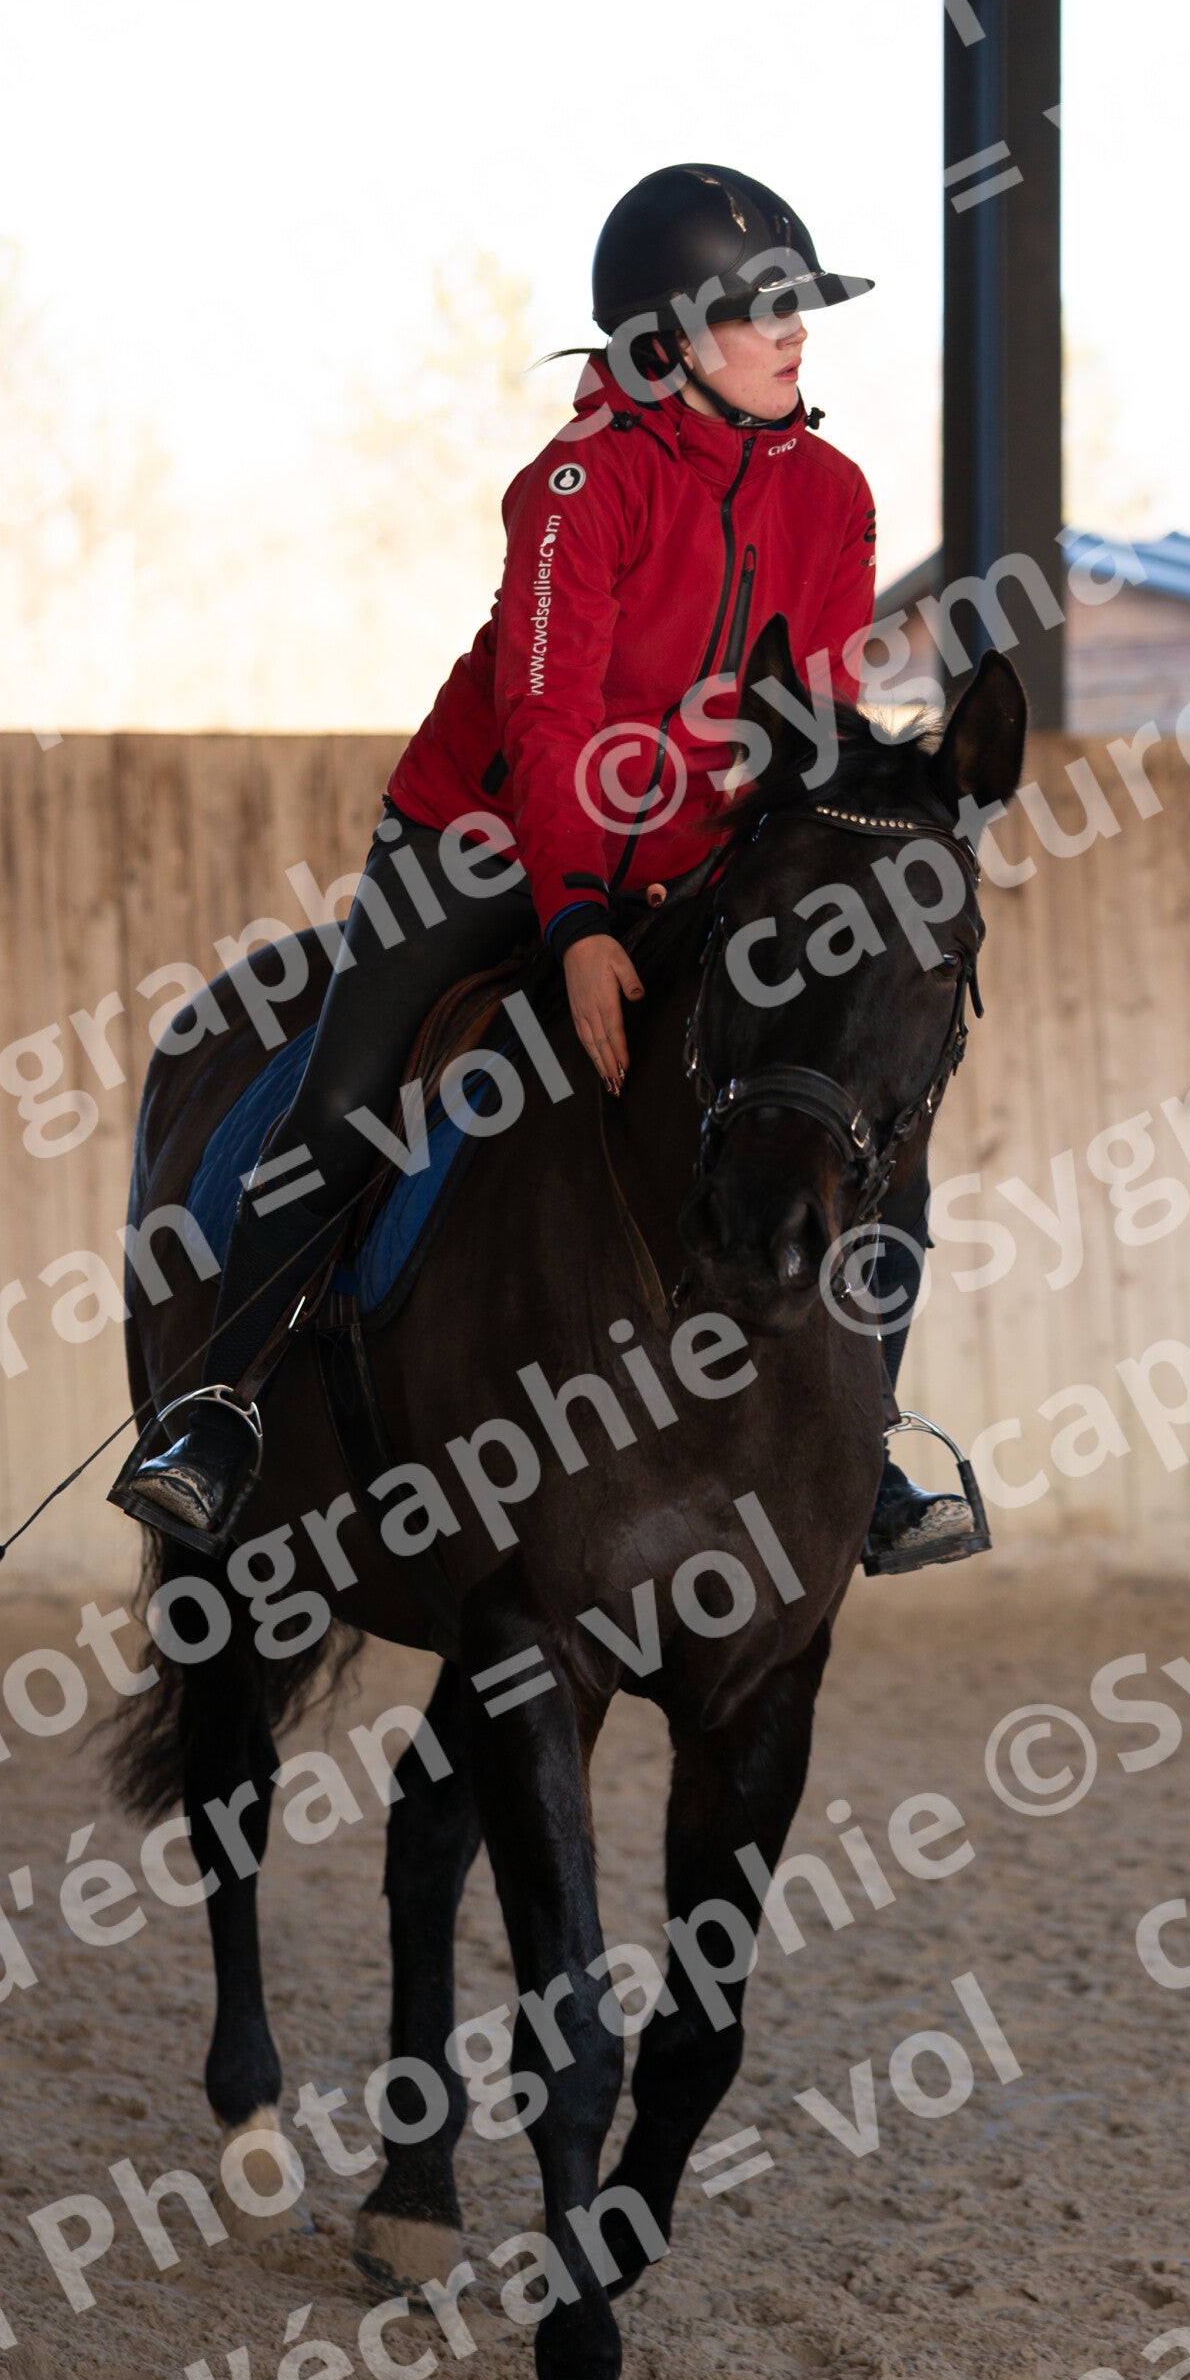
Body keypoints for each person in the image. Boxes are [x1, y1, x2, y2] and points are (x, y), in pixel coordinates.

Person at [112, 161, 948, 1570]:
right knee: (347, 1099)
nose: (796, 332)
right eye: (760, 312)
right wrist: (575, 923)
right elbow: (547, 724)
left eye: (800, 306)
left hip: (695, 856)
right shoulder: (578, 482)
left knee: (865, 1118)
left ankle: (867, 1452)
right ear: (670, 339)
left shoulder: (837, 493)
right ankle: (218, 1413)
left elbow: (810, 718)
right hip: (484, 840)